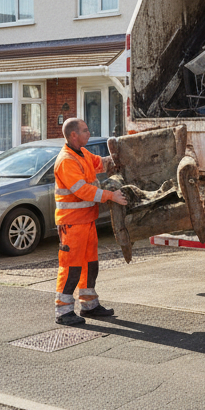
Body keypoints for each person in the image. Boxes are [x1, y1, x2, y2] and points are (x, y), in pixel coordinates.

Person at [53, 117, 128, 326]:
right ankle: (63, 311)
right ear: (73, 135)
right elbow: (81, 190)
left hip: (86, 221)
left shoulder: (82, 154)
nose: (89, 133)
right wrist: (110, 196)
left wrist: (120, 157)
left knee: (89, 265)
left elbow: (101, 163)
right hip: (72, 224)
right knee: (71, 267)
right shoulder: (66, 160)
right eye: (85, 131)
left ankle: (89, 305)